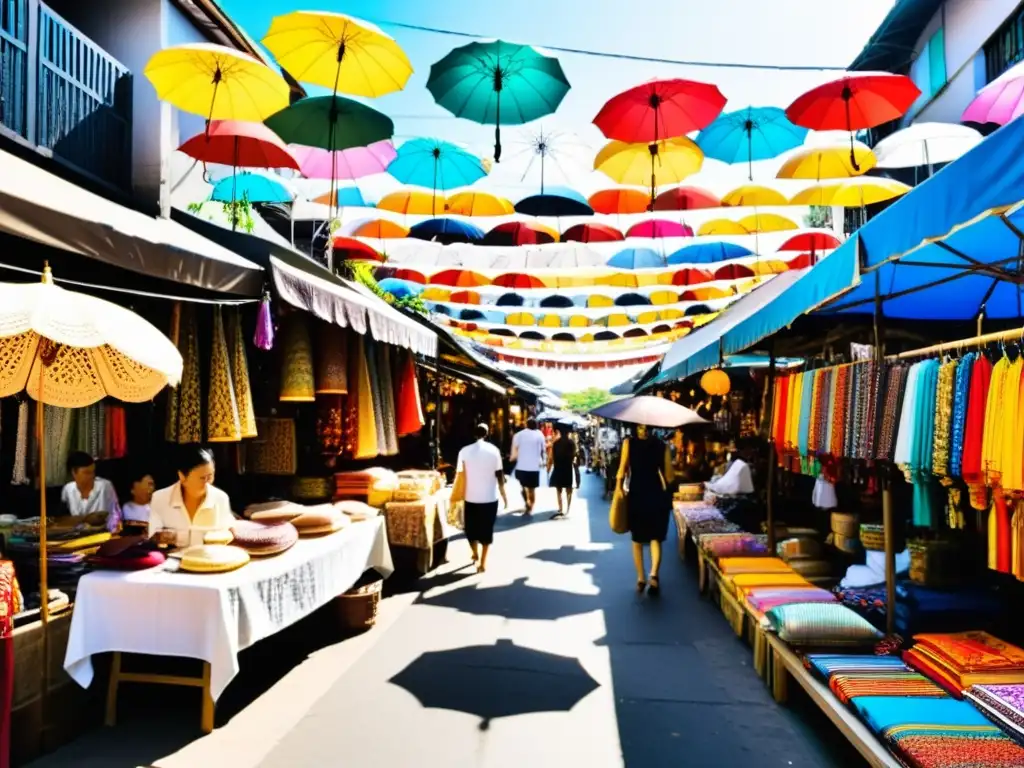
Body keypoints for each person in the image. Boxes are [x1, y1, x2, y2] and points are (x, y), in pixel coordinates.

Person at [616, 424, 674, 596]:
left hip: (637, 493)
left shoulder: (629, 443)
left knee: (637, 539)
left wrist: (619, 489)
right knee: (655, 537)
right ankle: (654, 575)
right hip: (656, 494)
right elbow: (669, 476)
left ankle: (641, 578)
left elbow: (621, 470)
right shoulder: (662, 446)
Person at [148, 447, 236, 548]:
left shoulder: (220, 498)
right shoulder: (160, 498)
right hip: (172, 559)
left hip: (209, 559)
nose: (207, 483)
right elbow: (153, 537)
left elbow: (228, 531)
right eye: (202, 478)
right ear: (182, 476)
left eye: (210, 476)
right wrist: (169, 536)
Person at [457, 424, 508, 573]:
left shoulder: (464, 451)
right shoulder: (494, 451)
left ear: (474, 434)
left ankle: (474, 553)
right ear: (487, 434)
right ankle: (483, 563)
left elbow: (459, 475)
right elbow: (500, 475)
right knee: (486, 531)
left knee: (470, 529)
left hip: (470, 496)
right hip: (490, 497)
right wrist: (504, 496)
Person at [61, 452, 119, 519]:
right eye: (87, 473)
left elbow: (116, 513)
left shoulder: (105, 486)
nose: (92, 476)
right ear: (74, 472)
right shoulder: (68, 489)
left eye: (93, 471)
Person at [510, 417, 546, 515]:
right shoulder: (540, 435)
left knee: (523, 486)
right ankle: (531, 506)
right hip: (534, 467)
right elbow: (543, 449)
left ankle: (527, 503)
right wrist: (544, 461)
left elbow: (514, 449)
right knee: (532, 489)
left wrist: (512, 458)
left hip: (521, 466)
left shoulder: (519, 435)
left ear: (526, 425)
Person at [548, 424, 578, 519]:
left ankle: (560, 508)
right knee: (569, 489)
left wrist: (549, 468)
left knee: (559, 490)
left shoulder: (556, 443)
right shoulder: (572, 443)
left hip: (558, 468)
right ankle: (567, 509)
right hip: (568, 468)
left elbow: (552, 458)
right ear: (568, 433)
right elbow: (574, 456)